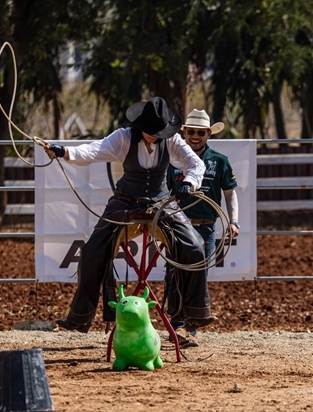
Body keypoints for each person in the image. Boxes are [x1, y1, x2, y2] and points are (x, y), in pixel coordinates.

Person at [44, 97, 215, 333]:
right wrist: (64, 151)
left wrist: (189, 182)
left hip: (161, 203)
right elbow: (93, 150)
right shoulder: (123, 137)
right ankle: (80, 316)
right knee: (92, 251)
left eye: (159, 131)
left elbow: (195, 164)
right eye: (150, 131)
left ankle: (195, 314)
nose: (154, 135)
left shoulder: (172, 140)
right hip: (124, 202)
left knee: (194, 245)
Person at [165, 109, 239, 347]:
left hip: (206, 228)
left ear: (208, 134)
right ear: (184, 133)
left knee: (198, 275)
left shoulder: (219, 161)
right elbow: (165, 194)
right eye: (191, 132)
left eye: (200, 132)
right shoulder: (173, 160)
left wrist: (234, 220)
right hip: (177, 226)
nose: (195, 136)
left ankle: (189, 326)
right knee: (174, 274)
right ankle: (177, 327)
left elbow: (230, 192)